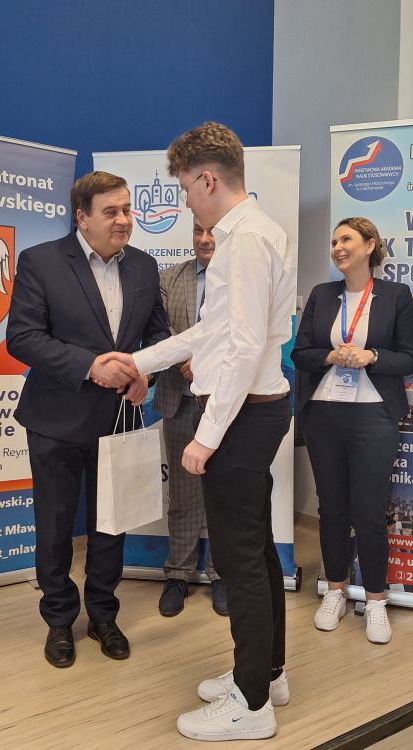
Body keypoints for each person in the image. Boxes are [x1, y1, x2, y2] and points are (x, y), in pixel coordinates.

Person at [103, 122, 296, 741]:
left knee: (240, 561)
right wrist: (140, 360)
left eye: (186, 188)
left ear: (208, 179)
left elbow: (242, 349)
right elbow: (210, 333)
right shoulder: (253, 233)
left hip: (241, 417)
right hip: (256, 410)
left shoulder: (244, 242)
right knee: (256, 552)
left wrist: (207, 435)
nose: (186, 201)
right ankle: (267, 673)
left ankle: (252, 706)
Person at [5, 171, 169, 669]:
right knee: (55, 526)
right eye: (111, 212)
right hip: (55, 419)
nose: (123, 220)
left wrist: (146, 372)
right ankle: (59, 620)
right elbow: (23, 338)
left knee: (111, 525)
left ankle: (102, 615)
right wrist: (90, 366)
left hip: (118, 418)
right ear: (82, 217)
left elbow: (158, 337)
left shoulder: (144, 266)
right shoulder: (41, 261)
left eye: (127, 210)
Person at [292, 215, 413, 646]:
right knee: (331, 509)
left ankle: (376, 600)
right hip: (325, 413)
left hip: (373, 416)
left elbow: (410, 358)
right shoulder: (322, 294)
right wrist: (330, 356)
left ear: (370, 246)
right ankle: (335, 590)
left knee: (368, 510)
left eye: (346, 239)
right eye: (333, 241)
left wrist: (372, 357)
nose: (337, 247)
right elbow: (300, 354)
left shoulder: (396, 295)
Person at [152, 219, 227, 617]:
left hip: (226, 405)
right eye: (198, 231)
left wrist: (207, 361)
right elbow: (159, 332)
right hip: (180, 399)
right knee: (182, 495)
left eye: (212, 232)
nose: (204, 239)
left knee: (223, 495)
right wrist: (189, 358)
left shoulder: (239, 278)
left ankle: (221, 574)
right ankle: (177, 574)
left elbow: (245, 335)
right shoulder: (170, 278)